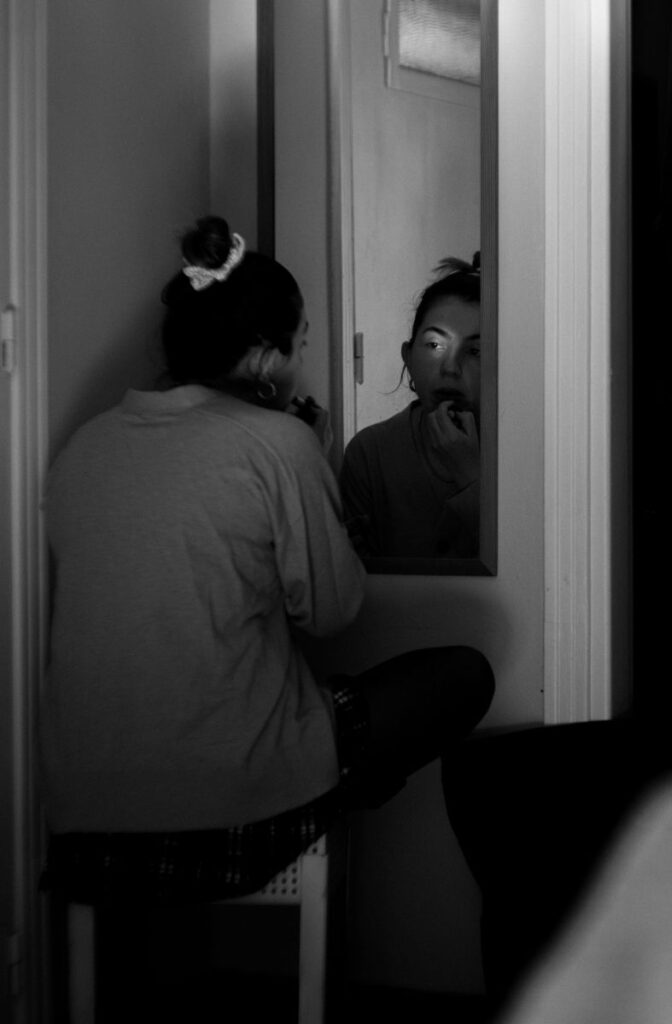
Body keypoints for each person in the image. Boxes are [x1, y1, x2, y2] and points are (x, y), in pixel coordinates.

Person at [39, 218, 494, 911]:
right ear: (260, 359)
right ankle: (319, 797)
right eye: (300, 345)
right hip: (234, 822)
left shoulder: (80, 450)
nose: (302, 364)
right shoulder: (284, 443)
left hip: (84, 826)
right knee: (463, 674)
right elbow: (334, 610)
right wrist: (303, 457)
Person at [340, 255, 481, 560]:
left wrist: (471, 477)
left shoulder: (523, 458)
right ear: (408, 355)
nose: (450, 368)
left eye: (474, 351)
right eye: (434, 345)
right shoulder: (370, 453)